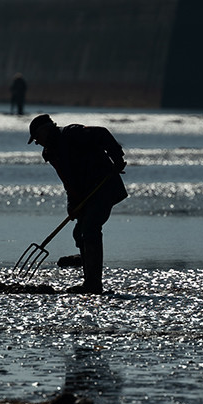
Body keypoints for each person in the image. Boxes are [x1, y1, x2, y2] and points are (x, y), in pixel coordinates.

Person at [28, 114, 127, 294]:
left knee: (90, 228)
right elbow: (68, 181)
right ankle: (89, 280)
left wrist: (117, 158)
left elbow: (103, 134)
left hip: (103, 186)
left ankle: (93, 284)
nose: (37, 143)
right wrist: (72, 204)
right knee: (79, 232)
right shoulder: (51, 153)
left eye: (37, 138)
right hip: (85, 195)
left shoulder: (72, 134)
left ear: (45, 130)